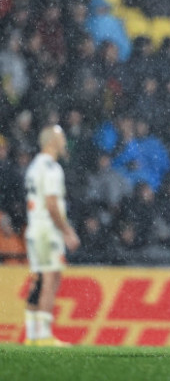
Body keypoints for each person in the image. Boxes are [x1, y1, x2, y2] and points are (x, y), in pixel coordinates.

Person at [23, 125, 80, 346]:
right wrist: (67, 231)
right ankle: (43, 335)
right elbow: (51, 204)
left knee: (39, 278)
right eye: (61, 136)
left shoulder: (35, 165)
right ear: (50, 141)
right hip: (47, 229)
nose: (64, 140)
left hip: (34, 227)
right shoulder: (51, 168)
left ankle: (32, 334)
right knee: (50, 277)